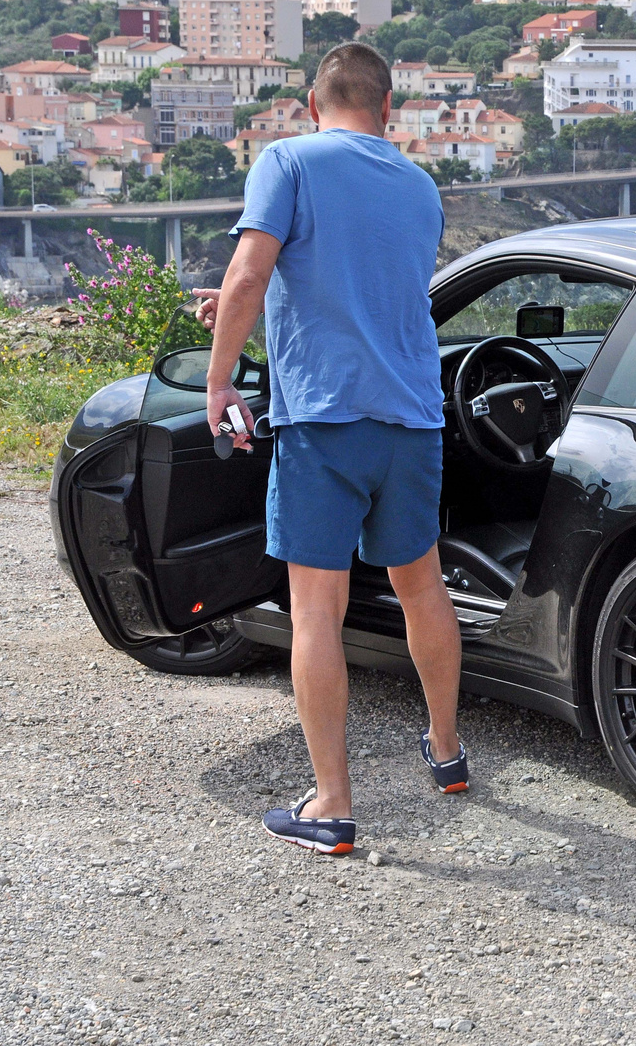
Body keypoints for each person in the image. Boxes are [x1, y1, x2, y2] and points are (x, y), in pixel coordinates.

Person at [193, 42, 470, 856]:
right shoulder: (420, 188)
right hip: (412, 421)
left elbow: (250, 276)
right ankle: (447, 752)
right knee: (422, 590)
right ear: (389, 110)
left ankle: (332, 805)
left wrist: (219, 382)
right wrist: (256, 300)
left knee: (317, 608)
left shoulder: (288, 160)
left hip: (324, 419)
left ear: (314, 106)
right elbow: (364, 285)